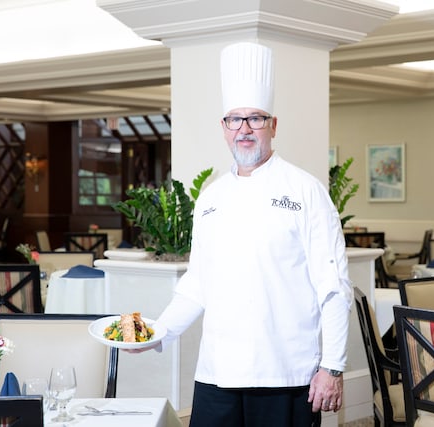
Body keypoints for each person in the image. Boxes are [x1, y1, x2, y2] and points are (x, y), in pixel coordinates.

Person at [141, 41, 352, 427]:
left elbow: (334, 287)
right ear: (223, 128)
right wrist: (156, 333)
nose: (244, 129)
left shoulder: (306, 191)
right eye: (235, 120)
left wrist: (332, 366)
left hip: (287, 374)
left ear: (273, 125)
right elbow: (197, 284)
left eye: (255, 119)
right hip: (216, 373)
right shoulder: (211, 197)